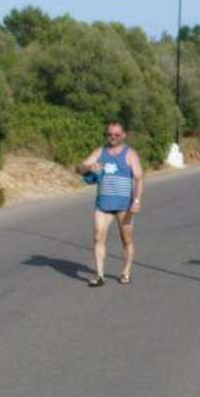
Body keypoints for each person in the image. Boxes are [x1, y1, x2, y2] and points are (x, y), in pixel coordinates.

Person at [76, 120, 143, 286]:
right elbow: (80, 168)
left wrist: (136, 200)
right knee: (98, 237)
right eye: (110, 134)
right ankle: (99, 276)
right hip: (103, 204)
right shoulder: (100, 152)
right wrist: (88, 168)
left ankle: (126, 273)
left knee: (126, 239)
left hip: (124, 205)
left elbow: (139, 178)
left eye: (116, 134)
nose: (113, 137)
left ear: (123, 135)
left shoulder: (130, 154)